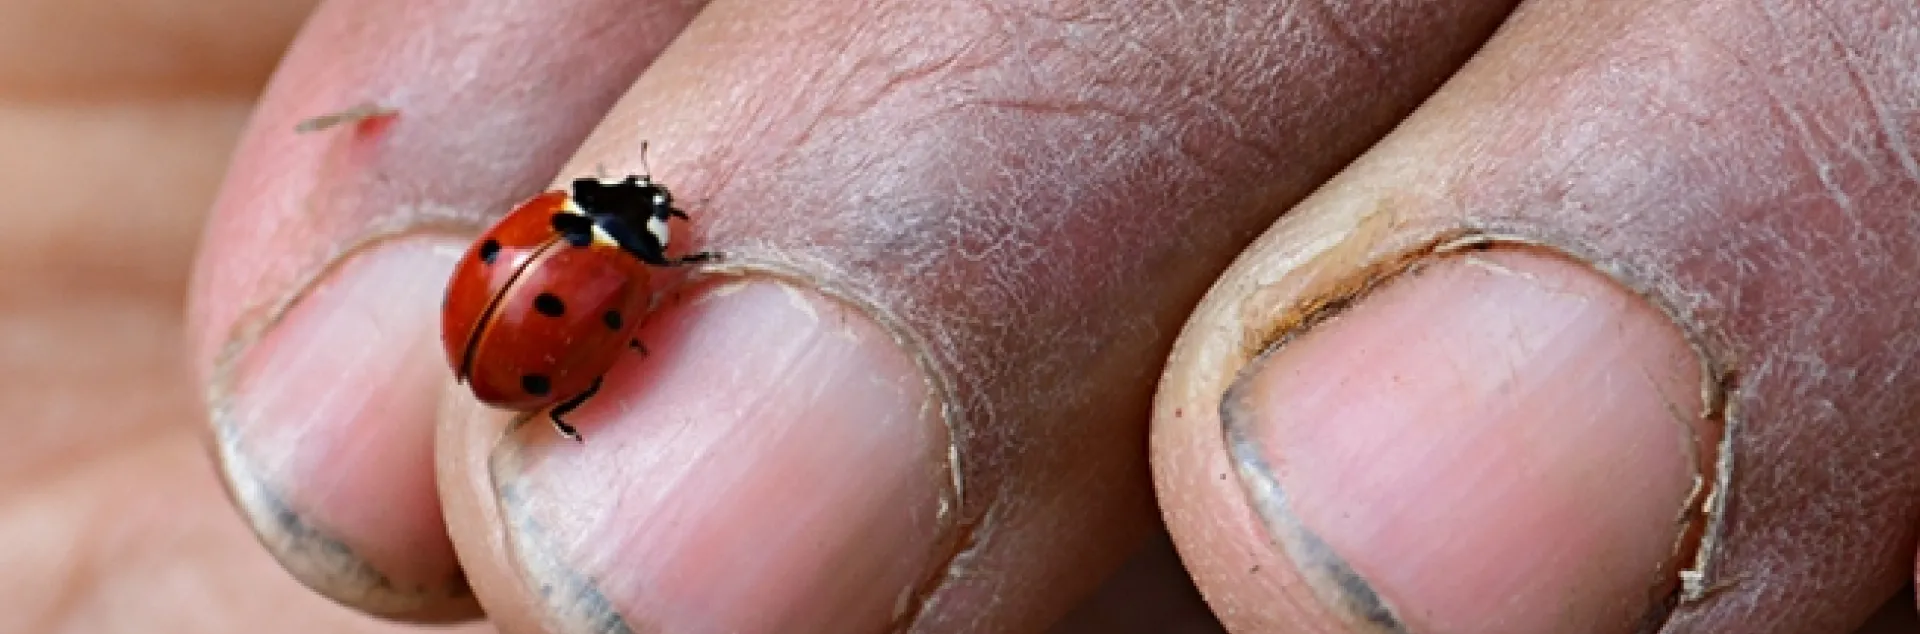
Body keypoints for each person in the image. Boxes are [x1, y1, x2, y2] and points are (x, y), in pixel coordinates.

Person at [9, 0, 1920, 632]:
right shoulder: (593, 257)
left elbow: (595, 289)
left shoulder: (579, 260)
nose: (646, 225)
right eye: (637, 226)